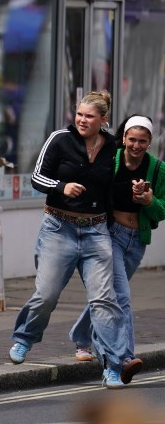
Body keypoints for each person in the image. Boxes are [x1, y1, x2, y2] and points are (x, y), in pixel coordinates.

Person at [8, 90, 129, 389]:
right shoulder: (60, 138)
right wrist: (61, 186)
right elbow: (37, 177)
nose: (82, 120)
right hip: (58, 228)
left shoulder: (113, 146)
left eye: (89, 116)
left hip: (96, 231)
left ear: (103, 120)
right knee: (46, 295)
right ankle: (24, 339)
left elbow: (122, 181)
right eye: (79, 115)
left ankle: (113, 367)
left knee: (104, 300)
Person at [68, 114, 164, 384]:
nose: (136, 145)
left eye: (142, 141)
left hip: (137, 241)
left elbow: (163, 208)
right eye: (131, 139)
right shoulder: (112, 160)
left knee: (106, 296)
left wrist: (149, 201)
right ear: (123, 138)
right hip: (109, 236)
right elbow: (98, 191)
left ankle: (81, 336)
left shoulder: (158, 169)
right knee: (120, 297)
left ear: (150, 142)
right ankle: (121, 359)